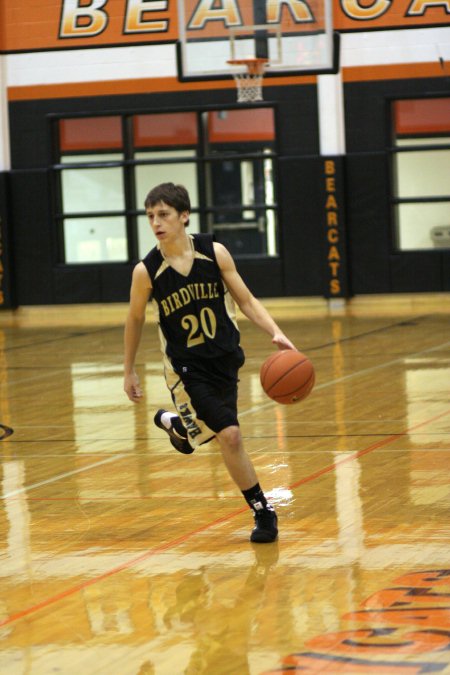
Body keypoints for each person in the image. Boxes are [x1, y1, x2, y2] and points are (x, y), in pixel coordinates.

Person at [124, 183, 296, 543]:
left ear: (184, 216)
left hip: (224, 359)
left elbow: (245, 299)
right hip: (186, 369)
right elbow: (135, 320)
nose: (156, 222)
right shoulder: (147, 271)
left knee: (203, 436)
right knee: (230, 436)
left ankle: (178, 426)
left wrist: (275, 332)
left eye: (163, 214)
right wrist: (129, 369)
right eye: (150, 216)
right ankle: (263, 511)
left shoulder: (213, 252)